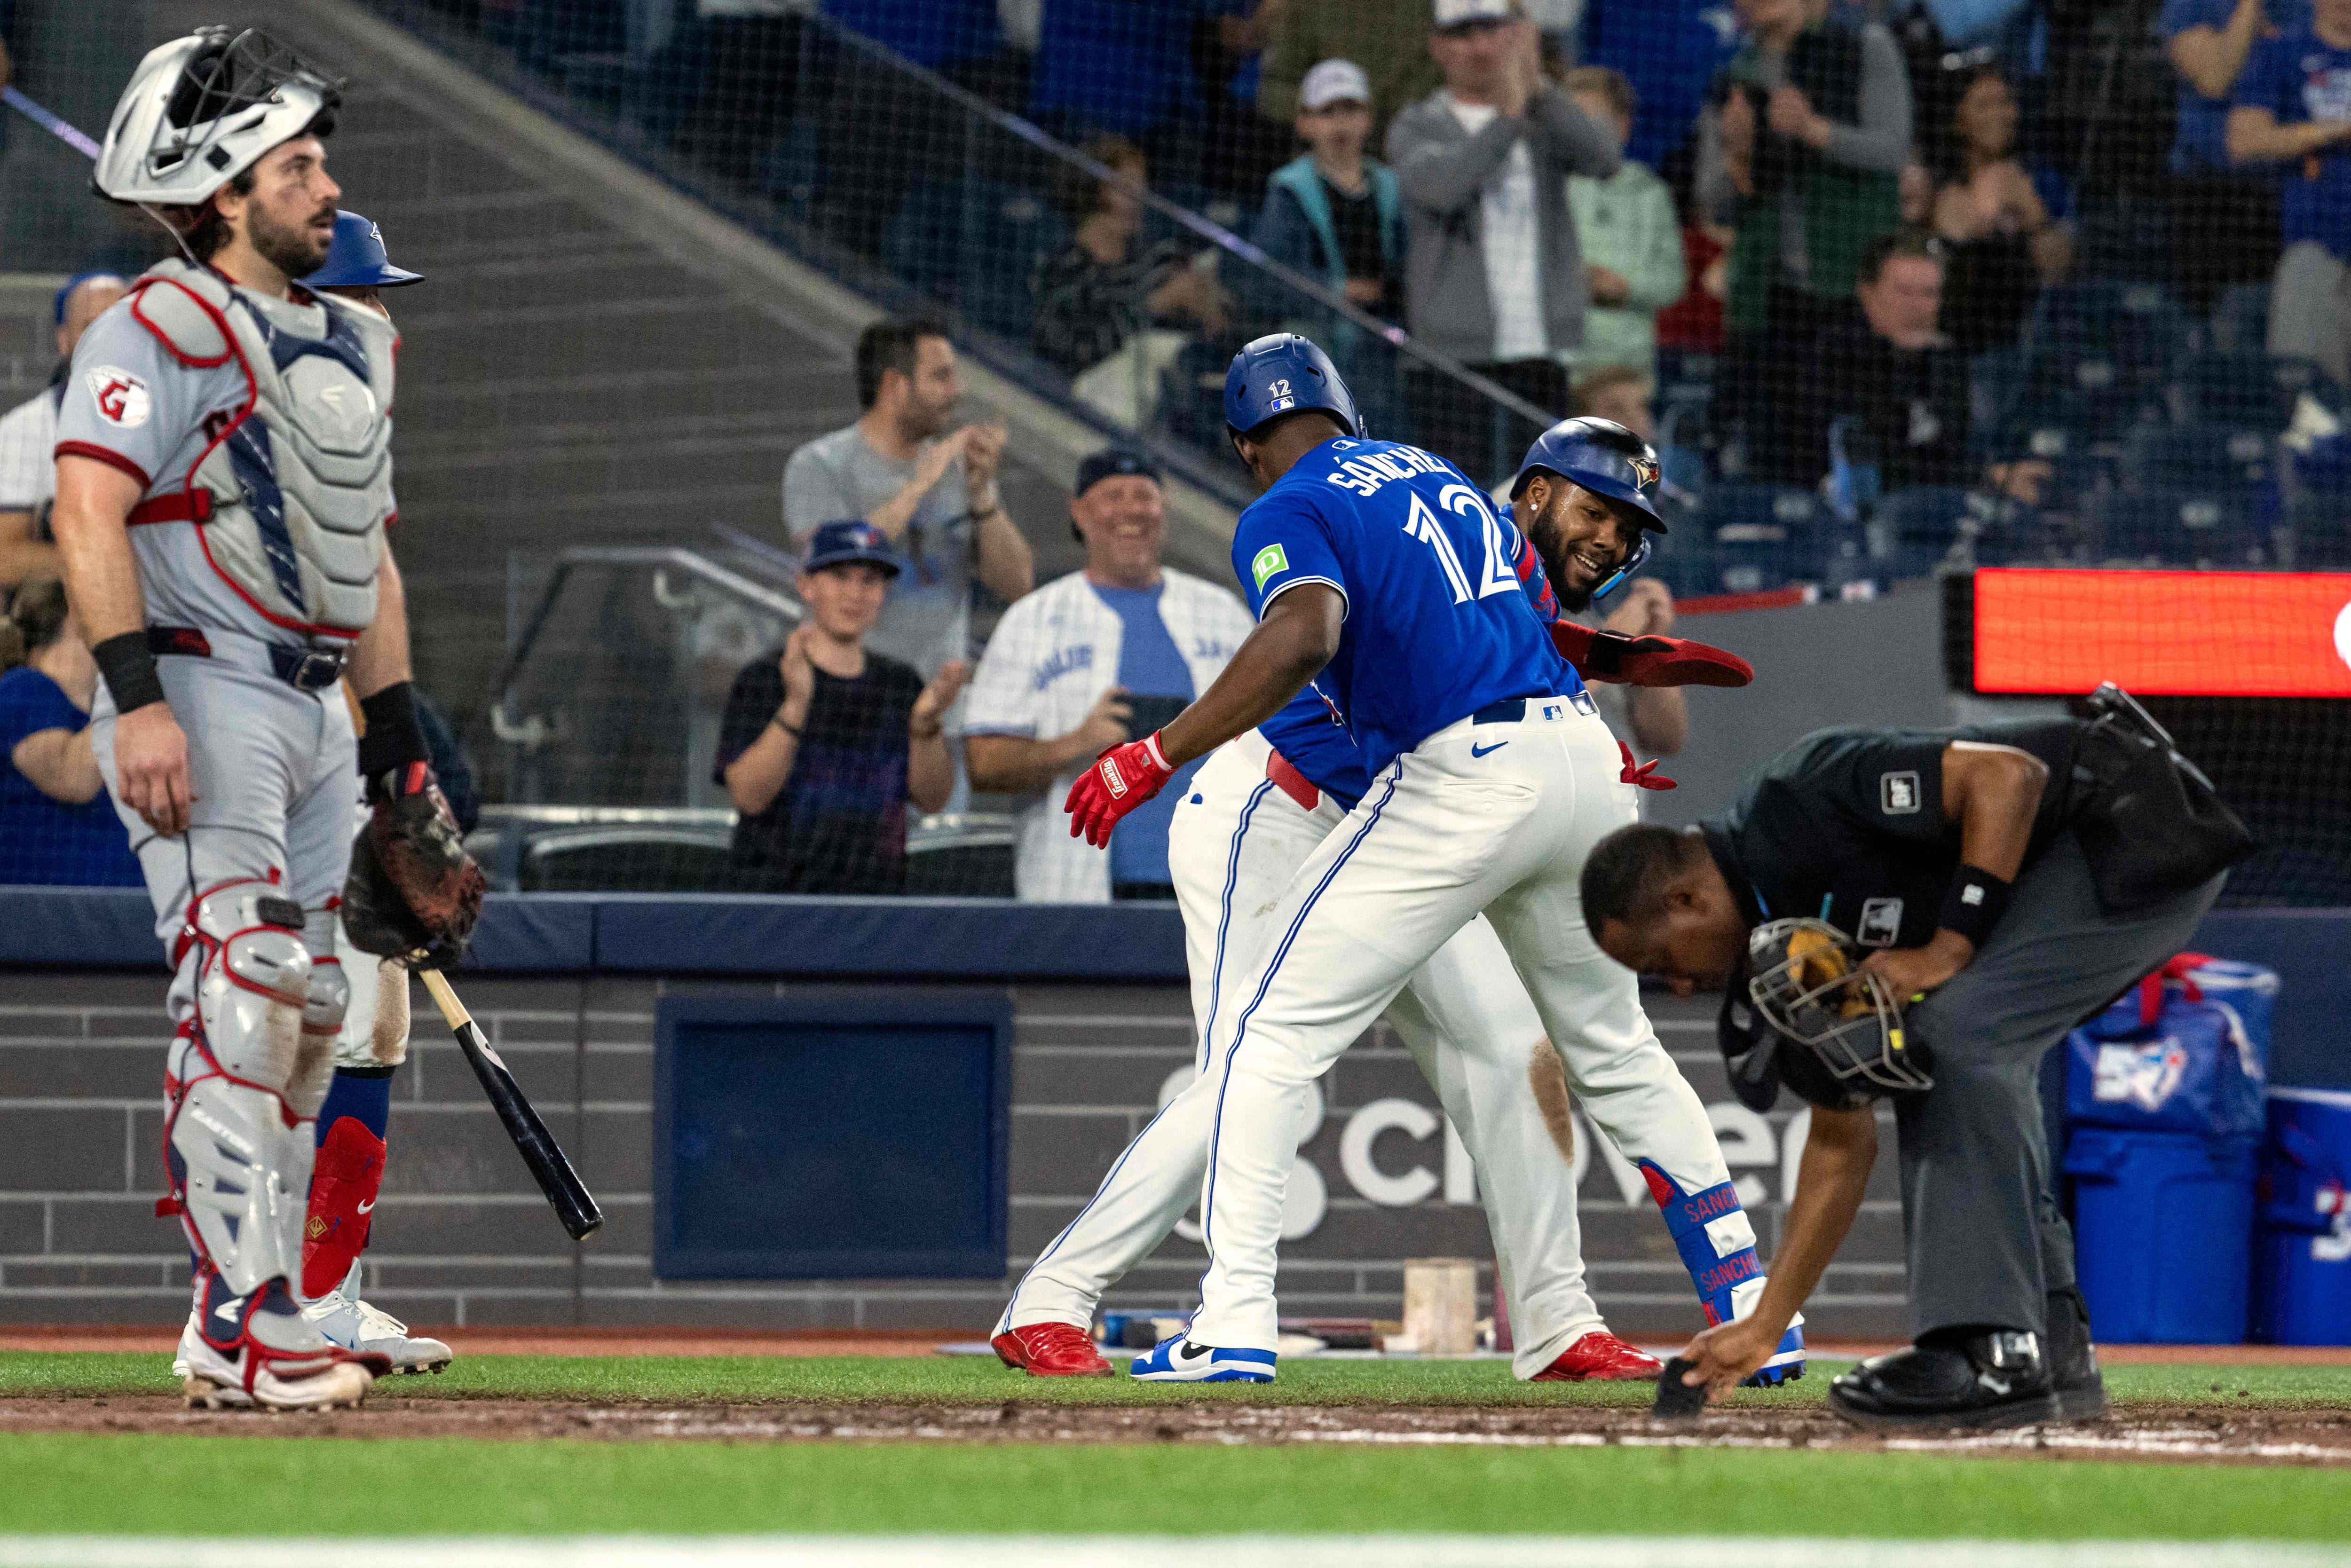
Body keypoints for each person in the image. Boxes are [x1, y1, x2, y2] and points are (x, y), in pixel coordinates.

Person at [992, 404, 1801, 1388]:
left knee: (1518, 1052)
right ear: (1534, 488)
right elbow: (1318, 634)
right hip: (1280, 803)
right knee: (1253, 1063)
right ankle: (1062, 1295)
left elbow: (1490, 645)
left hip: (1429, 808)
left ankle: (1556, 1319)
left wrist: (1608, 666)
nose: (1613, 539)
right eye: (1599, 512)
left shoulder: (1466, 535)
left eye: (1630, 529)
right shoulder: (1412, 509)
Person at [55, 27, 481, 1411]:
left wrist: (400, 746)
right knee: (240, 998)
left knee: (304, 1013)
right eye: (297, 166)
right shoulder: (151, 324)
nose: (325, 186)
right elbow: (87, 506)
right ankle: (268, 1324)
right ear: (226, 191)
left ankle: (240, 1323)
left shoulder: (338, 340)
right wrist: (136, 701)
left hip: (310, 705)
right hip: (200, 681)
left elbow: (367, 563)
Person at [1582, 705, 2239, 1426]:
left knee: (1957, 1036)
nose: (1675, 985)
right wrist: (1765, 1324)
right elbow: (1840, 1140)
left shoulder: (1799, 798)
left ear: (1686, 898)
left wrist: (1949, 947)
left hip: (2130, 821)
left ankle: (1988, 1347)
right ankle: (2050, 1347)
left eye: (1657, 961)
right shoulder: (1784, 948)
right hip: (2069, 868)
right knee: (1954, 1052)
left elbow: (2008, 776)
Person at [266, 207, 447, 1380]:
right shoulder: (286, 425)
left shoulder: (334, 435)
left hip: (331, 744)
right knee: (299, 1027)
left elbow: (370, 598)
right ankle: (282, 1296)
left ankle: (310, 1290)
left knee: (356, 1022)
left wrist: (403, 759)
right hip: (284, 743)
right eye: (372, 300)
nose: (391, 325)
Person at [962, 449, 1254, 902]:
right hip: (1078, 888)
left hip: (1218, 884)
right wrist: (1074, 743)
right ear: (1078, 512)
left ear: (1164, 508)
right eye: (1112, 496)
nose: (1131, 510)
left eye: (1144, 496)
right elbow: (982, 764)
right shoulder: (1034, 619)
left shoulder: (1222, 613)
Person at [1389, 0, 1623, 477]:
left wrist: (1539, 86)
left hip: (1539, 348)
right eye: (1462, 34)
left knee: (1536, 507)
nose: (1480, 46)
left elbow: (1603, 158)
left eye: (1492, 30)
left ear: (1514, 36)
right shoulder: (1415, 125)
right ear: (1438, 47)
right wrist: (1510, 114)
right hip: (1456, 356)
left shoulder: (1543, 118)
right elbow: (1444, 188)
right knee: (1460, 506)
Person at [1695, 0, 1910, 483]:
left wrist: (1811, 129)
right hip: (1768, 299)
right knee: (1775, 457)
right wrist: (1738, 152)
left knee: (1860, 447)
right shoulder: (1735, 73)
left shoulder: (1862, 45)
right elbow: (1712, 200)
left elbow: (1891, 148)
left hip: (1852, 291)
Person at [714, 521, 969, 894]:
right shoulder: (765, 679)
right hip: (774, 906)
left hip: (875, 906)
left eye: (870, 580)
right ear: (807, 585)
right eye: (840, 576)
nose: (856, 593)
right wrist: (797, 703)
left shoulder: (900, 684)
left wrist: (925, 727)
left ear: (884, 592)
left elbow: (932, 800)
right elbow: (749, 797)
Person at [782, 319, 1035, 677]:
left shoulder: (959, 470)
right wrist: (922, 483)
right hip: (848, 701)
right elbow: (839, 561)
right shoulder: (819, 465)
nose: (958, 391)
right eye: (941, 377)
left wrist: (983, 495)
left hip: (939, 710)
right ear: (895, 386)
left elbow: (1019, 586)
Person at [1805, 231, 2046, 501]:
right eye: (1904, 292)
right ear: (1869, 295)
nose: (1917, 307)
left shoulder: (1946, 359)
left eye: (1929, 293)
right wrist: (1983, 477)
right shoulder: (1837, 356)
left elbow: (1948, 454)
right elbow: (1866, 470)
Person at [1032, 138, 1232, 381]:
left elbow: (1219, 338)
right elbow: (1075, 352)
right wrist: (1158, 303)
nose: (1140, 197)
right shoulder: (1064, 269)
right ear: (1091, 190)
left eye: (1142, 186)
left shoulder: (1160, 258)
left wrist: (1209, 310)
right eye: (1126, 186)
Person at [2228, 0, 2351, 389]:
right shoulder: (2283, 53)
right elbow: (2244, 141)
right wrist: (2333, 130)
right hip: (2319, 242)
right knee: (2305, 390)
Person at [2162, 0, 2306, 312]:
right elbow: (2216, 79)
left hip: (2295, 187)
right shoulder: (2190, 7)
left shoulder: (2310, 7)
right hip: (2212, 193)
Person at [0, 577, 141, 886]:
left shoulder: (106, 715)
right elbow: (72, 778)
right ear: (80, 618)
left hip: (123, 915)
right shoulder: (23, 686)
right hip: (50, 917)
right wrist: (134, 674)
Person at [1927, 66, 2070, 355]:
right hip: (1949, 348)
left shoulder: (2042, 181)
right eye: (1984, 105)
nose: (2000, 115)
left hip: (2026, 345)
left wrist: (2033, 217)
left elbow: (2061, 269)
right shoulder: (1936, 187)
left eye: (2006, 102)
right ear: (1959, 119)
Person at [0, 272, 128, 589]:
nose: (107, 340)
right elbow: (6, 557)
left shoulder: (174, 421)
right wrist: (121, 565)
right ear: (64, 339)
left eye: (120, 327)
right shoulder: (23, 429)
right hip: (60, 620)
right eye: (90, 326)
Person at [1255, 59, 1406, 324]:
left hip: (1384, 339)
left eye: (1351, 109)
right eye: (1327, 112)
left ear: (1369, 119)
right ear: (1305, 122)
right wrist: (1337, 290)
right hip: (1312, 339)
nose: (1341, 123)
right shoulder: (1288, 190)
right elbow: (1269, 275)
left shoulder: (1392, 186)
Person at [1563, 67, 1688, 378]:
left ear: (1623, 125)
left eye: (1591, 118)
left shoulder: (1651, 193)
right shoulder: (1548, 188)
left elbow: (1672, 282)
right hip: (1563, 363)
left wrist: (1625, 288)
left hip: (1630, 367)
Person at [1258, 0, 1445, 136]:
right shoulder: (1307, 7)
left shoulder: (1437, 9)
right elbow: (1276, 87)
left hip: (1420, 148)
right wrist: (1325, 112)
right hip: (1328, 160)